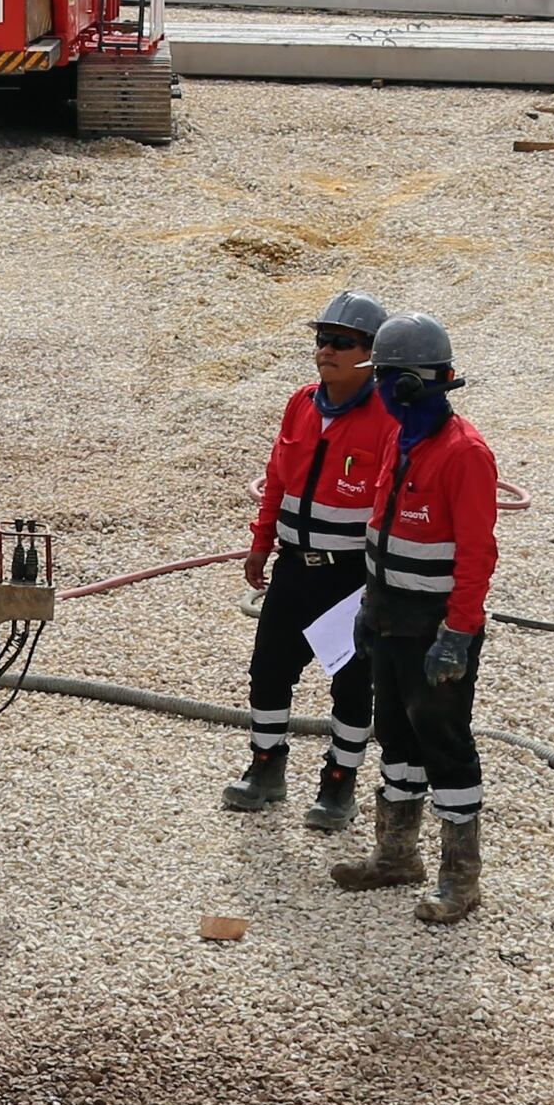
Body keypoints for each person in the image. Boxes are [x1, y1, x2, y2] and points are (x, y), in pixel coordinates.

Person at [337, 312, 499, 924]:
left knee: (444, 745)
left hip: (434, 625)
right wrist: (368, 607)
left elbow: (477, 555)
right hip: (388, 617)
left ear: (406, 384)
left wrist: (457, 634)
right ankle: (397, 855)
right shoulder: (398, 439)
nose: (376, 390)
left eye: (383, 379)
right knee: (397, 739)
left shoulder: (465, 455)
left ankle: (462, 878)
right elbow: (382, 527)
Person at [222, 291, 398, 834]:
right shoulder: (301, 402)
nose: (327, 350)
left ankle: (339, 782)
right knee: (269, 669)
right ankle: (266, 767)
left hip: (352, 576)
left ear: (373, 354)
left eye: (342, 342)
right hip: (295, 565)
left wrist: (382, 583)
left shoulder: (389, 418)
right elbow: (278, 477)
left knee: (351, 683)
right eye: (323, 340)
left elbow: (393, 505)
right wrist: (261, 539)